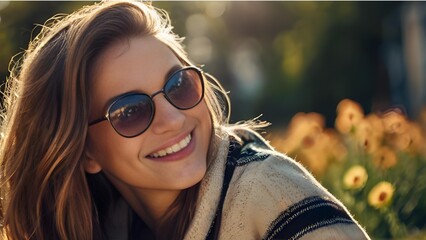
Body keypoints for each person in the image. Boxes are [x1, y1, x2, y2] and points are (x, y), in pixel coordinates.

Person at [0, 1, 370, 239]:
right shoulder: (105, 225)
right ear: (84, 152)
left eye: (178, 85)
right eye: (130, 111)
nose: (174, 119)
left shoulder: (271, 196)